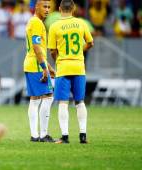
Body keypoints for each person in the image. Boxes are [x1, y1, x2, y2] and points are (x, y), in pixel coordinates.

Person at [48, 0, 94, 144]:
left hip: (63, 67)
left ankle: (65, 136)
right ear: (73, 8)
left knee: (63, 102)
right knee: (80, 102)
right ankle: (83, 135)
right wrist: (80, 51)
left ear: (60, 9)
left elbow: (52, 50)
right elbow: (90, 42)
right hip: (79, 67)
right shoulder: (81, 23)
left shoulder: (55, 26)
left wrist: (59, 59)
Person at [24, 0, 55, 142]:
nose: (47, 9)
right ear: (36, 6)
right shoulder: (36, 23)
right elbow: (37, 47)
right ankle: (42, 134)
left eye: (49, 7)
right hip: (36, 66)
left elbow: (39, 49)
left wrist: (49, 67)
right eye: (44, 6)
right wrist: (44, 68)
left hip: (32, 64)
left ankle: (35, 135)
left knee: (35, 99)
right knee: (48, 95)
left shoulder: (34, 22)